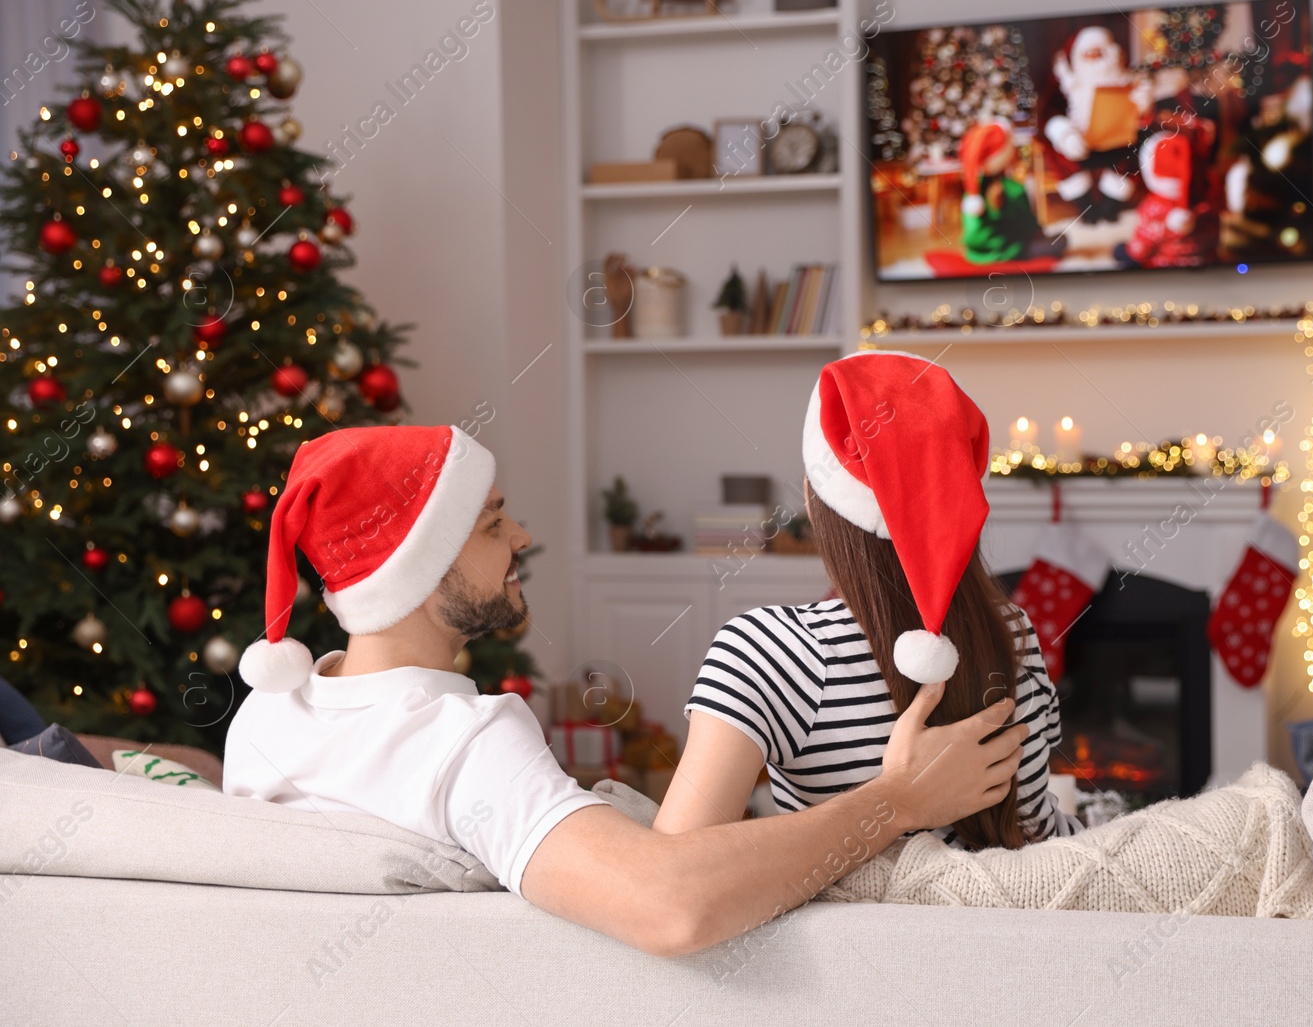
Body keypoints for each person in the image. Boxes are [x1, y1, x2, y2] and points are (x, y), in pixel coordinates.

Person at [222, 424, 1026, 956]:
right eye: (493, 522)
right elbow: (672, 904)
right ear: (423, 571)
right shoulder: (465, 744)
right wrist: (898, 798)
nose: (525, 538)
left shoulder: (267, 717)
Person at [655, 352, 1072, 850]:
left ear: (816, 499)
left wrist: (889, 804)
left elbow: (677, 868)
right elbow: (1042, 836)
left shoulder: (766, 651)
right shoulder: (1014, 628)